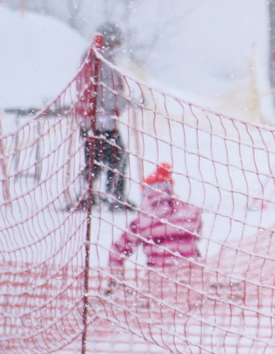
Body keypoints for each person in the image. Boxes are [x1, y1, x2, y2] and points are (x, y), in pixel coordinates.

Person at [74, 23, 131, 210]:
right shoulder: (103, 59)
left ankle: (88, 194)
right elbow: (109, 91)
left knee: (93, 160)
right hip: (103, 122)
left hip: (90, 120)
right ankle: (114, 195)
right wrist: (124, 102)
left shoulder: (89, 56)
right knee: (117, 157)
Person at [108, 164, 203, 275]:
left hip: (157, 279)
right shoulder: (191, 212)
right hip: (190, 276)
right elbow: (198, 232)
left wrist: (115, 275)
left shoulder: (142, 221)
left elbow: (119, 250)